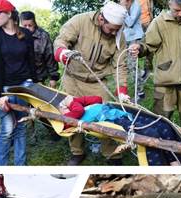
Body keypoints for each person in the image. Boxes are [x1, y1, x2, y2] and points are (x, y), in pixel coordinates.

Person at [54, 1, 129, 165]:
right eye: (111, 29)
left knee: (106, 117)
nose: (114, 33)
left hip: (97, 82)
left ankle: (112, 154)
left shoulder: (118, 36)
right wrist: (64, 53)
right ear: (101, 19)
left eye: (117, 29)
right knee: (73, 115)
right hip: (72, 80)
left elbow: (120, 65)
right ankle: (77, 152)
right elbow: (61, 41)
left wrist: (122, 91)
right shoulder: (80, 21)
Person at [129, 0, 181, 138]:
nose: (180, 14)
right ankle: (161, 149)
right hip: (166, 79)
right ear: (169, 4)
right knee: (161, 118)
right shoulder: (159, 22)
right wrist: (139, 48)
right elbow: (148, 45)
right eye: (177, 10)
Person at [58, 95, 181, 165]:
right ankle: (163, 165)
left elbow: (98, 99)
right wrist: (71, 102)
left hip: (124, 115)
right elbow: (78, 111)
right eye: (62, 108)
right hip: (117, 122)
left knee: (163, 126)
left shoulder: (80, 107)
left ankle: (173, 159)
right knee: (150, 135)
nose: (65, 107)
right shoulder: (68, 119)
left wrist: (76, 100)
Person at [0, 0, 36, 166]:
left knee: (21, 126)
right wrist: (0, 95)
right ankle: (1, 166)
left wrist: (34, 85)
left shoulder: (25, 34)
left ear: (8, 13)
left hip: (24, 87)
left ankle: (20, 165)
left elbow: (31, 62)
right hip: (6, 88)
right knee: (7, 129)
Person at [20, 11, 60, 88]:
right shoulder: (16, 35)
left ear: (34, 23)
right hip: (21, 79)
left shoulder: (43, 36)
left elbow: (50, 57)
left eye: (30, 25)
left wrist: (53, 78)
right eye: (25, 26)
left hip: (38, 79)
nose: (27, 28)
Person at [120, 0, 144, 101]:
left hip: (135, 37)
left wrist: (123, 9)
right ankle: (141, 74)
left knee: (132, 66)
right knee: (127, 65)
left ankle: (140, 93)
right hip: (127, 37)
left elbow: (130, 23)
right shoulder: (125, 4)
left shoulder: (136, 5)